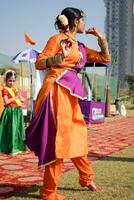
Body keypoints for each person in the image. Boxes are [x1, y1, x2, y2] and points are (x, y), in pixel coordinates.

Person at [25, 7, 111, 200]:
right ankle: (49, 192)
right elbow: (40, 62)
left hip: (70, 94)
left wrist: (101, 39)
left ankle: (86, 178)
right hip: (55, 91)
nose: (84, 23)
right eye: (82, 20)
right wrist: (60, 58)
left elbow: (105, 58)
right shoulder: (57, 40)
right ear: (74, 21)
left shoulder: (79, 46)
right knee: (59, 141)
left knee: (78, 135)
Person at [0, 70, 27, 154]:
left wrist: (21, 99)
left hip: (17, 111)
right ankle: (10, 148)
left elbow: (22, 100)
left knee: (17, 130)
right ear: (6, 80)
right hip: (10, 112)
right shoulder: (5, 89)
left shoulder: (14, 89)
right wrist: (15, 97)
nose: (11, 82)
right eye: (10, 80)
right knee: (11, 130)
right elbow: (6, 102)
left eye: (13, 80)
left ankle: (17, 146)